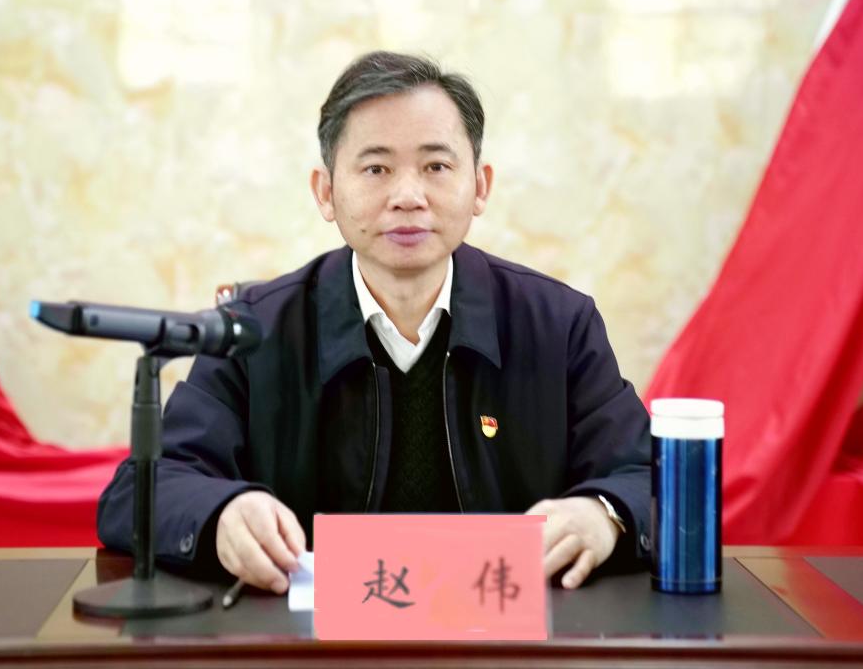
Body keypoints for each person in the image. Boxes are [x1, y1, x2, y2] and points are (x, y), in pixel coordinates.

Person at [97, 51, 651, 595]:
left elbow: (653, 479)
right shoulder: (253, 331)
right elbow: (139, 491)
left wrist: (606, 514)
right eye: (376, 169)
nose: (408, 197)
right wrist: (221, 513)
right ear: (326, 192)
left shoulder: (559, 325)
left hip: (505, 632)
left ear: (480, 186)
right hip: (314, 637)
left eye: (436, 167)